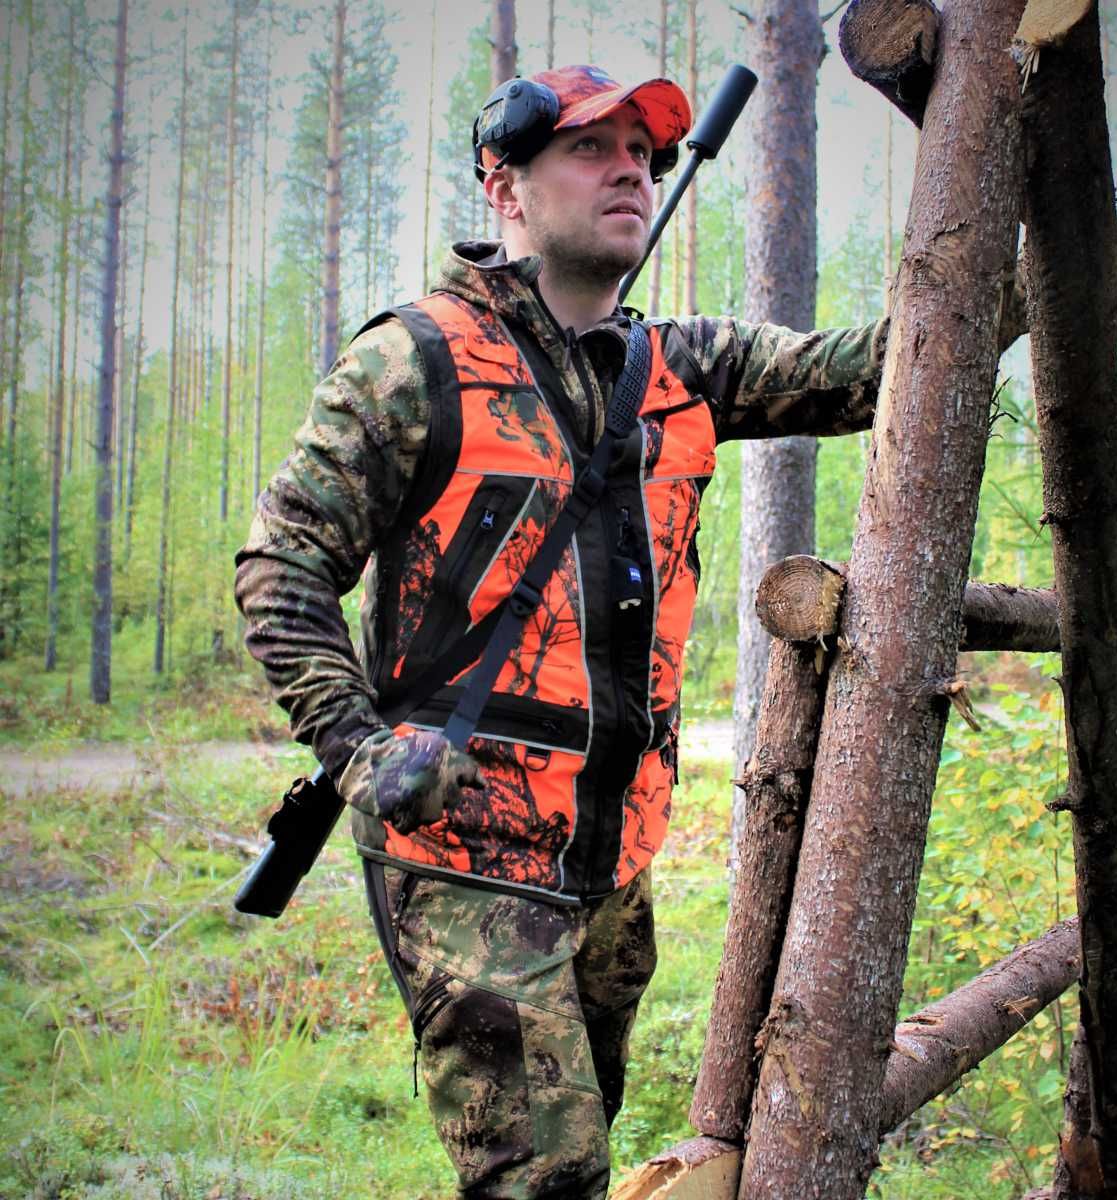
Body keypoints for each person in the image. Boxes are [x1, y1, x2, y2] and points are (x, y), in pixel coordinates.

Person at [235, 64, 889, 1199]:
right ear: (505, 187)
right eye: (591, 148)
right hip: (462, 849)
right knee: (544, 1178)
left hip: (613, 859)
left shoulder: (680, 365)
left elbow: (878, 368)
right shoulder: (414, 362)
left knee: (580, 1148)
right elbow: (283, 564)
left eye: (643, 152)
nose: (629, 169)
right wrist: (356, 747)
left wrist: (1043, 262)